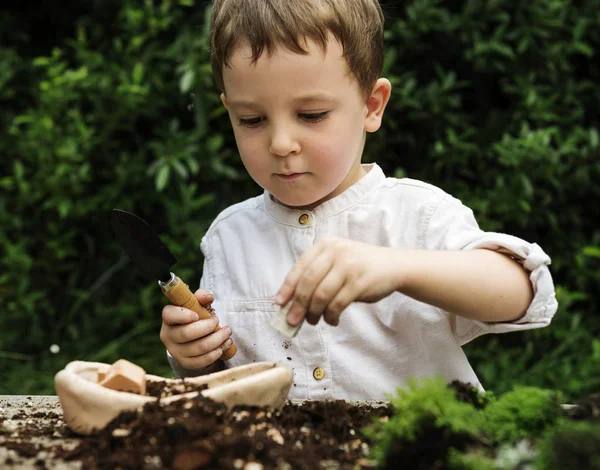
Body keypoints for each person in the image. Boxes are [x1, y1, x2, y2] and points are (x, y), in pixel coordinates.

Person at [160, 0, 558, 401]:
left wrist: (396, 266)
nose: (281, 143)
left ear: (372, 105)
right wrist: (194, 355)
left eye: (312, 114)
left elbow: (524, 293)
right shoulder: (229, 237)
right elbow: (220, 383)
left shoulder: (415, 215)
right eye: (252, 120)